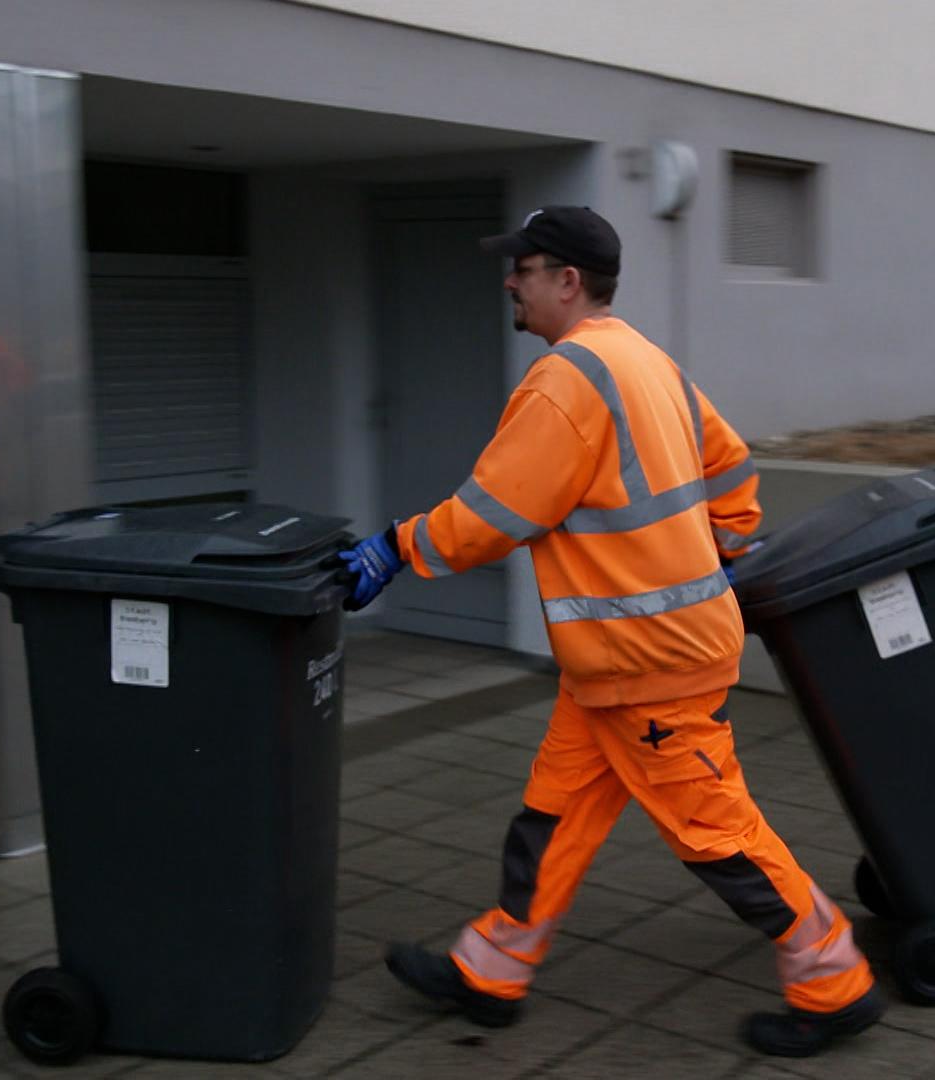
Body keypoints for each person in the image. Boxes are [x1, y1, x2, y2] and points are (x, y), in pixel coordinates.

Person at [337, 206, 880, 1057]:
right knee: (551, 816)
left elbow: (492, 514)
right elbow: (731, 463)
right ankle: (492, 972)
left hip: (649, 664)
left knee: (716, 834)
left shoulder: (569, 378)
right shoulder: (646, 360)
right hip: (624, 663)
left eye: (523, 266)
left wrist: (395, 548)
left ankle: (835, 982)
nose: (509, 280)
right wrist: (728, 548)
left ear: (567, 281)